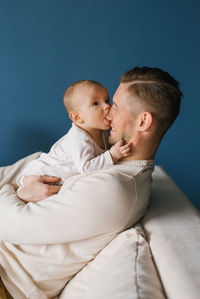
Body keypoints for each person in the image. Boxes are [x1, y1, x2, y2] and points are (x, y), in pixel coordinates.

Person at [0, 66, 182, 298]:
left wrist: (13, 187)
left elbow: (7, 224)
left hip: (6, 279)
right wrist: (21, 183)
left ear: (143, 121)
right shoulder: (110, 162)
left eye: (115, 106)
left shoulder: (113, 188)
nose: (108, 113)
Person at [16, 79, 131, 202]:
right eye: (96, 103)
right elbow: (86, 168)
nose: (107, 106)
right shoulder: (79, 139)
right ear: (77, 117)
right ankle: (16, 186)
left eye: (107, 100)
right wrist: (112, 155)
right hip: (41, 171)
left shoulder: (102, 132)